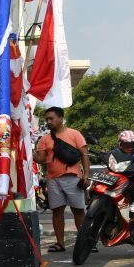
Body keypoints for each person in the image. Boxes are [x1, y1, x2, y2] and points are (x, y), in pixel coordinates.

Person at [33, 106, 91, 253]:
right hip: (53, 180)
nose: (48, 121)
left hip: (72, 178)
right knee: (57, 212)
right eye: (47, 119)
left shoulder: (74, 134)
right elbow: (40, 159)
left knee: (78, 211)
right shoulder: (45, 139)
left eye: (51, 118)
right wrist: (26, 149)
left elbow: (85, 155)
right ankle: (60, 243)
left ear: (61, 118)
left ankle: (85, 241)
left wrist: (86, 175)